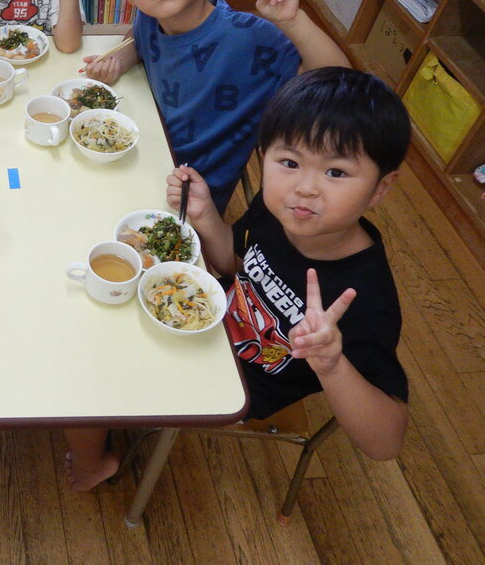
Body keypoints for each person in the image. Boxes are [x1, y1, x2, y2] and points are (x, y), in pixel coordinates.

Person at [65, 68, 410, 491]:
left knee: (90, 383)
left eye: (336, 172)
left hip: (237, 386)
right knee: (87, 319)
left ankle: (91, 467)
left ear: (380, 188)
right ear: (263, 155)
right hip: (202, 325)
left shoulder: (366, 296)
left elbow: (385, 443)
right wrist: (206, 215)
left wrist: (331, 364)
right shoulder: (280, 212)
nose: (305, 188)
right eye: (289, 162)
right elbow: (234, 265)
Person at [84, 0, 349, 212]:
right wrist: (123, 57)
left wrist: (293, 21)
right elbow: (138, 40)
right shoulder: (150, 20)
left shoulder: (249, 37)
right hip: (140, 153)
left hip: (189, 196)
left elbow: (340, 87)